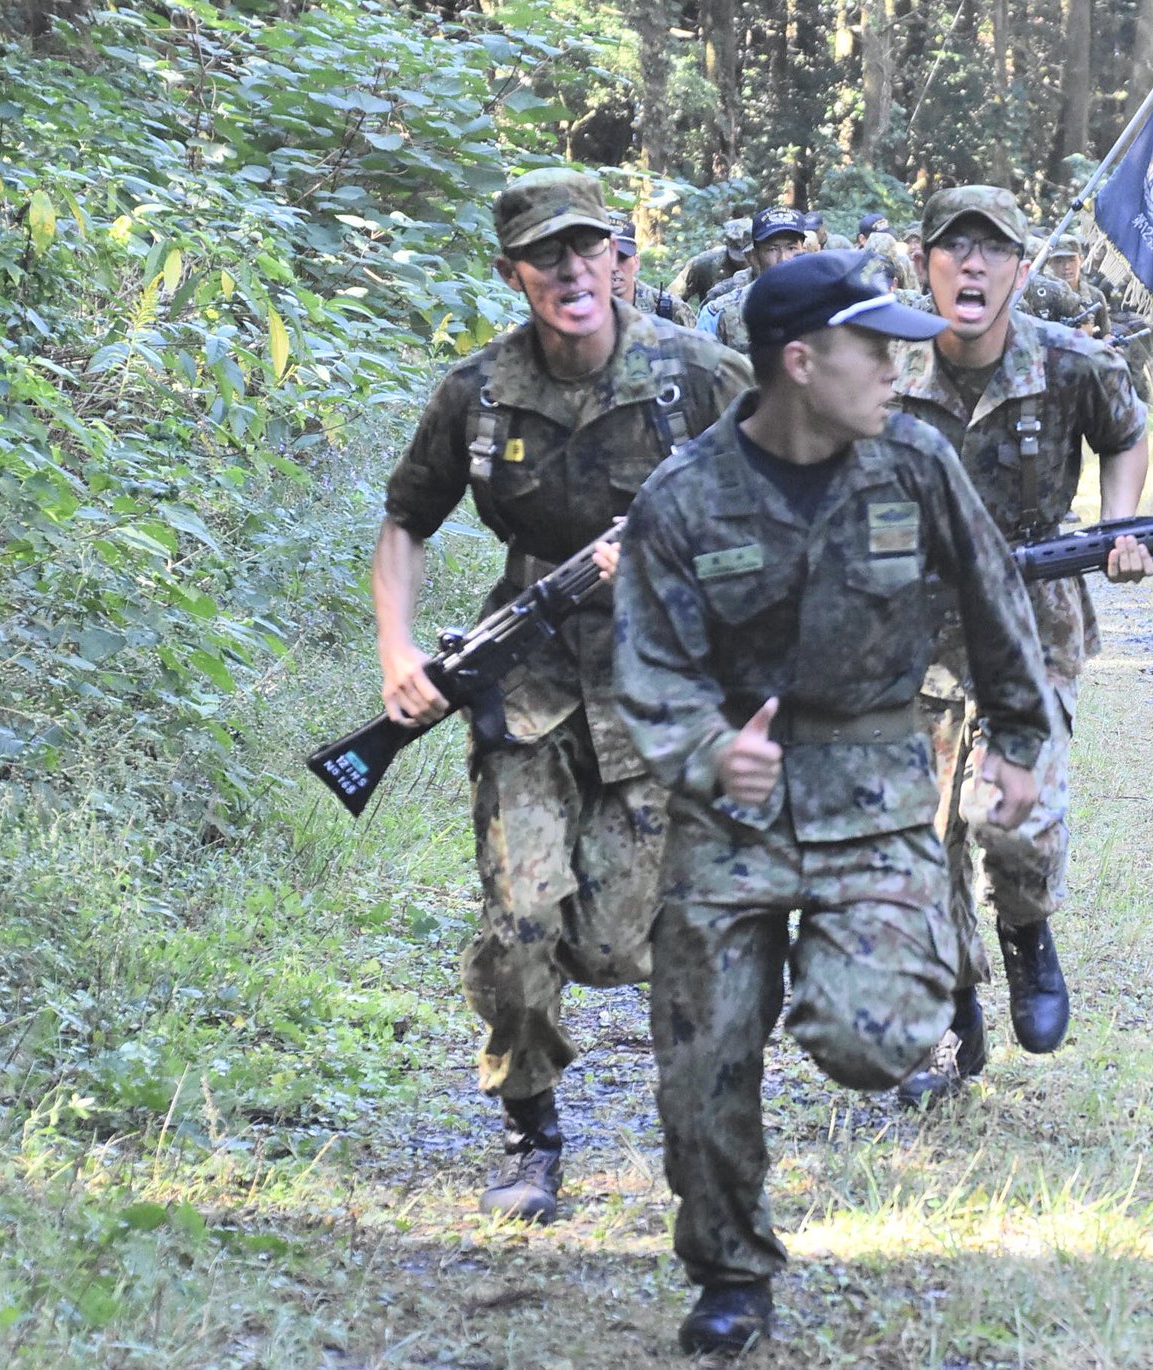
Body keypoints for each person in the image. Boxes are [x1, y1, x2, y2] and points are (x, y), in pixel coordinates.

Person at [610, 250, 1052, 1354]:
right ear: (800, 363)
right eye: (876, 349)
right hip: (734, 811)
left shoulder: (915, 462)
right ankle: (729, 1271)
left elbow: (998, 602)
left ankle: (859, 979)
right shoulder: (684, 496)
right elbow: (650, 664)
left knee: (869, 1036)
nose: (900, 370)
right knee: (702, 1057)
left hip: (875, 793)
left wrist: (1019, 743)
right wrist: (707, 747)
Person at [373, 168, 750, 1225]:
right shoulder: (478, 394)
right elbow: (406, 520)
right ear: (514, 274)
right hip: (527, 682)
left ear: (615, 255)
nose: (569, 269)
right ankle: (529, 1129)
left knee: (617, 939)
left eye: (586, 246)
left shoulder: (699, 375)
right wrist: (397, 648)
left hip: (657, 684)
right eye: (545, 254)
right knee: (523, 915)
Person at [891, 185, 1153, 1103]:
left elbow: (1126, 435)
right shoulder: (883, 369)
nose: (972, 265)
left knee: (1011, 821)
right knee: (921, 840)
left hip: (1031, 629)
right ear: (923, 263)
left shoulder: (1071, 363)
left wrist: (1120, 529)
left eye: (992, 250)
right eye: (953, 249)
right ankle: (950, 1012)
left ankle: (1025, 930)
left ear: (1018, 267)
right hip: (911, 637)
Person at [698, 205, 809, 351]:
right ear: (755, 257)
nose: (783, 259)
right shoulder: (718, 314)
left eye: (791, 248)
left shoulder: (827, 306)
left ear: (804, 251)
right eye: (772, 249)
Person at [609, 211, 694, 328]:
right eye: (606, 258)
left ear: (636, 262)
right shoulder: (581, 311)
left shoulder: (673, 311)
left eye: (622, 258)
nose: (613, 267)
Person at [670, 217, 751, 304]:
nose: (745, 261)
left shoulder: (765, 263)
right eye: (740, 257)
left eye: (749, 254)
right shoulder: (704, 264)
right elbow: (672, 297)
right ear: (727, 244)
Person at [1046, 234, 1112, 336]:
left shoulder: (1095, 296)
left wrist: (1108, 341)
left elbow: (1105, 333)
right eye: (1059, 261)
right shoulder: (1043, 296)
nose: (1066, 266)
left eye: (1072, 260)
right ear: (1050, 263)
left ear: (1081, 260)